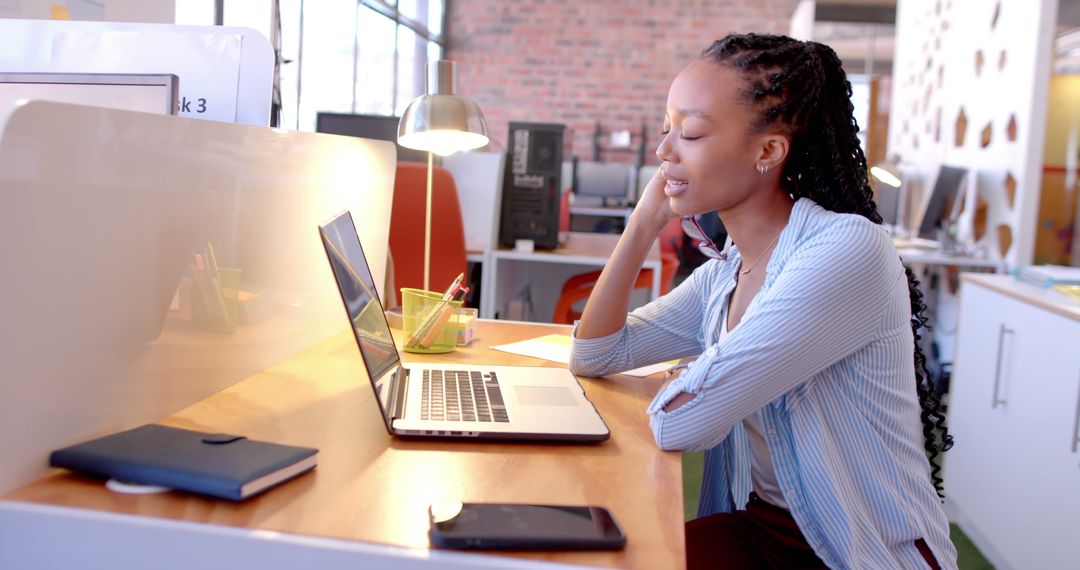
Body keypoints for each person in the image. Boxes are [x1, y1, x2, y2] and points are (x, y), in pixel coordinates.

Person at [569, 33, 956, 569]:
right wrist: (642, 223)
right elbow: (595, 354)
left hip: (858, 550)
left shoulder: (846, 250)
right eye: (666, 128)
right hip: (768, 526)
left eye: (692, 132)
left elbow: (684, 423)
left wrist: (696, 380)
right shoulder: (728, 271)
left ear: (768, 151)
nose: (664, 152)